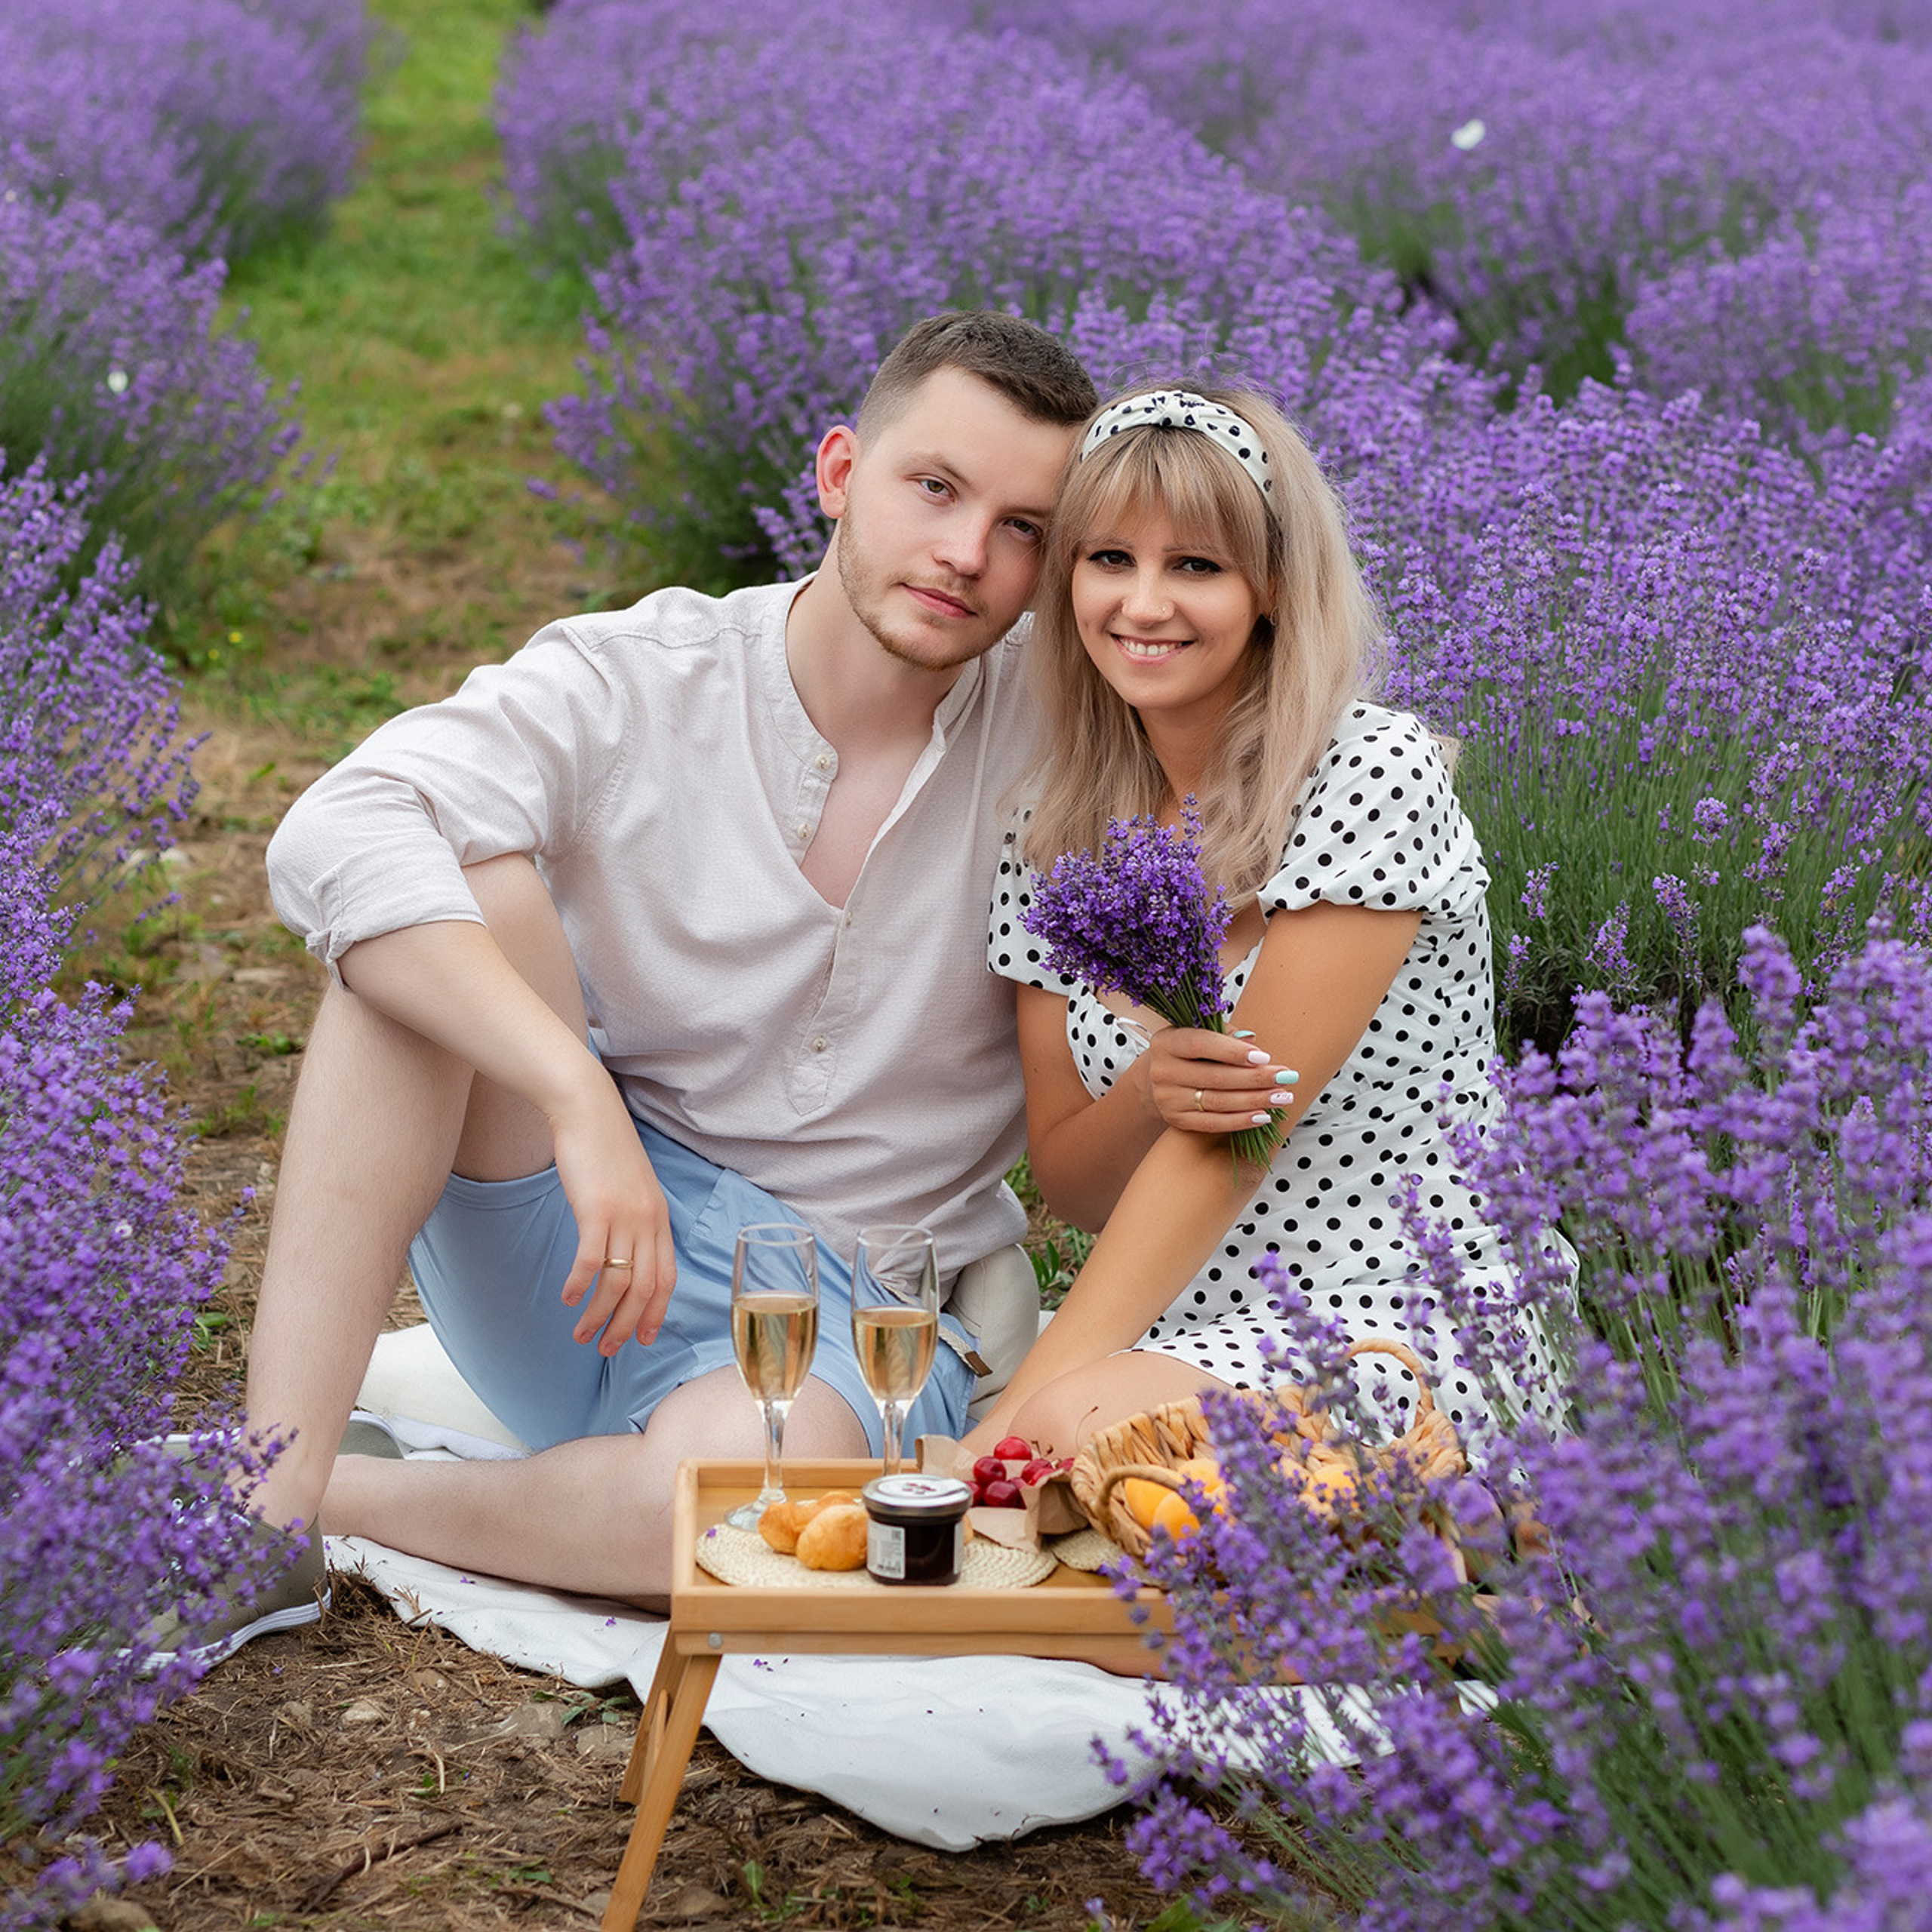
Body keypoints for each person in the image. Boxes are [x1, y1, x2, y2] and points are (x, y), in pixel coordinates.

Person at [165, 312, 1099, 1655]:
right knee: (443, 894)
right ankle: (262, 1514)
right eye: (935, 488)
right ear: (840, 473)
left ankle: (326, 1494)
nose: (967, 554)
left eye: (1024, 529)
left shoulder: (1067, 748)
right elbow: (336, 827)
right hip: (591, 1242)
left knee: (756, 1512)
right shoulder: (645, 676)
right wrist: (572, 1094)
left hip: (846, 1316)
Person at [970, 385, 1562, 1460]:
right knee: (1078, 1458)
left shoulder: (1370, 773)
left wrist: (1011, 1427)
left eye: (1194, 566)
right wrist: (1150, 1090)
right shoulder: (1051, 828)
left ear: (1273, 587)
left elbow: (1238, 1142)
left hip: (1402, 1318)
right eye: (1109, 560)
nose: (1142, 605)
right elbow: (1071, 1182)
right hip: (1173, 1331)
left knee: (1060, 1440)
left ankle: (1478, 1520)